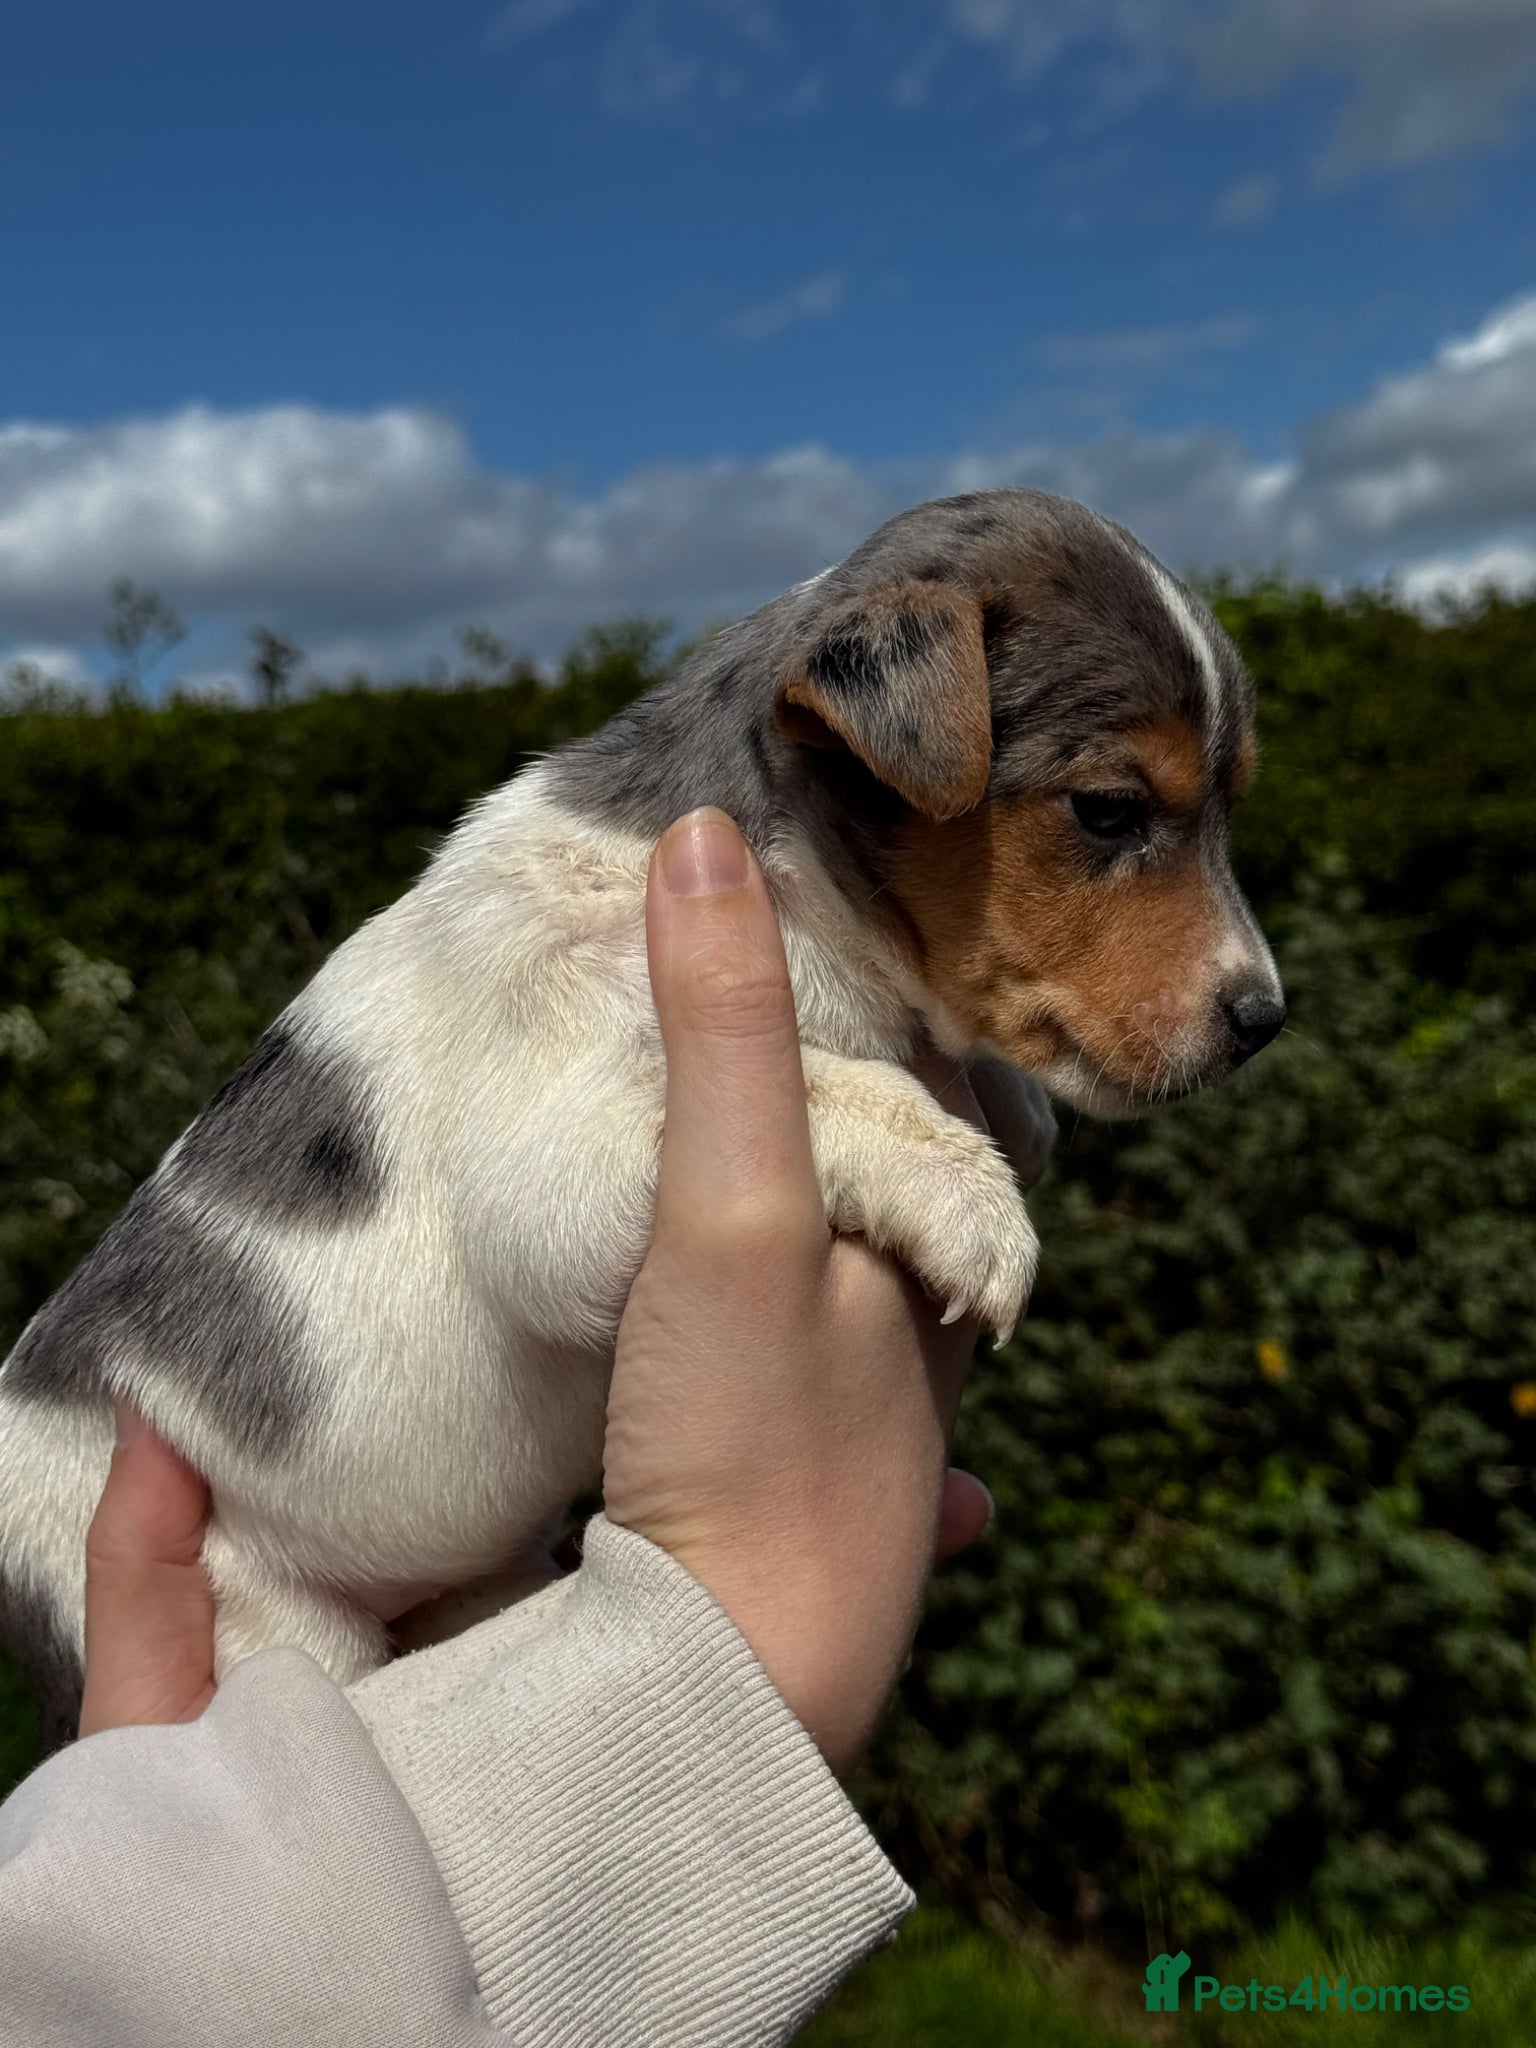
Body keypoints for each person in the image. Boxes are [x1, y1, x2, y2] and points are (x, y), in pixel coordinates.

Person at [0, 808, 1010, 2047]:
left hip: (327, 1558)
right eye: (1106, 817)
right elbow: (557, 1240)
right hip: (194, 1524)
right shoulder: (550, 917)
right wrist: (735, 1633)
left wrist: (149, 1876)